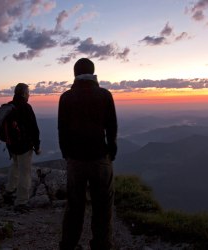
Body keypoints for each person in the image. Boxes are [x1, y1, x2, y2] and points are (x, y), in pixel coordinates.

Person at [58, 58, 118, 250]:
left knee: (74, 206)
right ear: (93, 73)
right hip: (100, 158)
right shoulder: (104, 95)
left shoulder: (66, 97)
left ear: (75, 74)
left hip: (75, 160)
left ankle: (68, 245)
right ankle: (101, 245)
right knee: (102, 207)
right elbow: (112, 127)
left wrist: (66, 154)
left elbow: (62, 130)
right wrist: (111, 150)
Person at [3, 83, 41, 213]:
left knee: (15, 165)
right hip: (24, 146)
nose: (29, 95)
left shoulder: (9, 106)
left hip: (11, 145)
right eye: (28, 92)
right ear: (24, 94)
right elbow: (34, 129)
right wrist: (37, 146)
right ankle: (21, 202)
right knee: (25, 172)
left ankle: (9, 191)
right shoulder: (26, 107)